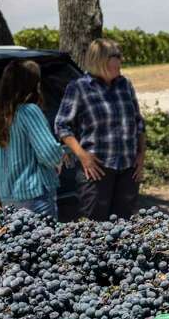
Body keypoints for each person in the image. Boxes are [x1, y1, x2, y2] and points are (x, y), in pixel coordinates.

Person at [55, 39, 145, 221]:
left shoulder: (124, 85)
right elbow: (61, 125)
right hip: (96, 171)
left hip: (128, 169)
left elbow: (139, 123)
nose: (121, 60)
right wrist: (83, 156)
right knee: (94, 230)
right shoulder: (79, 88)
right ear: (101, 59)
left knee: (126, 229)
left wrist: (141, 156)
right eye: (117, 56)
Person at [0, 60, 67, 219]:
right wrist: (63, 154)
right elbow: (49, 153)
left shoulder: (3, 115)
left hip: (8, 196)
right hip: (35, 194)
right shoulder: (29, 111)